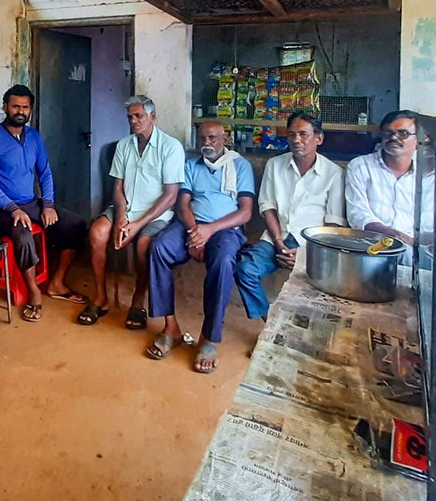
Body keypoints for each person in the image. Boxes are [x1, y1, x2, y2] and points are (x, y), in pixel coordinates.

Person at [145, 122, 254, 374]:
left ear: (224, 138)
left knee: (225, 261)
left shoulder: (240, 166)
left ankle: (208, 337)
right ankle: (170, 326)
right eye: (203, 138)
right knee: (159, 247)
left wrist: (209, 231)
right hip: (191, 226)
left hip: (225, 230)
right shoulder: (191, 165)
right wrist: (196, 232)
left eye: (214, 138)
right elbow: (183, 204)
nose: (208, 143)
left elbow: (246, 212)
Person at [0, 84, 89, 322]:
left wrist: (48, 204)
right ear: (5, 107)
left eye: (25, 107)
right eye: (15, 106)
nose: (20, 111)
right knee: (24, 235)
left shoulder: (34, 137)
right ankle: (34, 291)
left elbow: (45, 173)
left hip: (31, 202)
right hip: (1, 208)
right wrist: (12, 208)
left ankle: (57, 283)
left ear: (30, 110)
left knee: (76, 225)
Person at [78, 95, 184, 329]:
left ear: (152, 117)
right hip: (125, 207)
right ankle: (100, 297)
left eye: (139, 116)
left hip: (155, 213)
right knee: (97, 233)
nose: (133, 121)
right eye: (130, 117)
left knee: (144, 244)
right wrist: (122, 216)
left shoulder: (171, 147)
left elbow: (170, 196)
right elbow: (118, 186)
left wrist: (137, 224)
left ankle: (138, 302)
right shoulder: (124, 145)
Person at [235, 112, 346, 320]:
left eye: (303, 134)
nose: (296, 140)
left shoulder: (333, 174)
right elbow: (266, 206)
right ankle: (270, 323)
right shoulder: (275, 165)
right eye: (292, 135)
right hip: (276, 237)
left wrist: (304, 254)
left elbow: (333, 224)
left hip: (312, 245)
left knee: (325, 283)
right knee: (245, 269)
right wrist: (278, 242)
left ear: (318, 138)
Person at [344, 109, 434, 252]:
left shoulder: (427, 177)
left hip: (416, 250)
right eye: (388, 133)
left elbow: (429, 226)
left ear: (420, 140)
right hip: (373, 246)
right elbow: (358, 215)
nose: (394, 138)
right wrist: (395, 236)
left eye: (403, 133)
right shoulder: (360, 167)